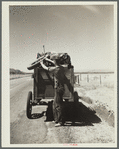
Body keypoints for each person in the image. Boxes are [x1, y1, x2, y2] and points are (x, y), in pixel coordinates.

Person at [40, 56, 66, 127]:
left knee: (58, 105)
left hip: (58, 88)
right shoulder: (61, 68)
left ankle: (60, 122)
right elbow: (55, 63)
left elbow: (46, 68)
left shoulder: (55, 69)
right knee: (55, 104)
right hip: (61, 88)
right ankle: (56, 119)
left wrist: (41, 63)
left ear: (55, 62)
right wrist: (47, 59)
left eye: (53, 61)